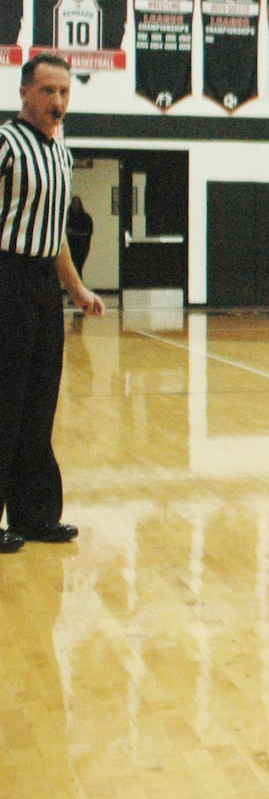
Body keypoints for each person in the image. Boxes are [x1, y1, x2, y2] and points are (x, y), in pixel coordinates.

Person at [0, 53, 105, 555]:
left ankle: (36, 514)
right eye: (47, 92)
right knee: (5, 403)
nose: (57, 102)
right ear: (24, 93)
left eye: (64, 93)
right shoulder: (5, 145)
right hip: (5, 278)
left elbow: (55, 232)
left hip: (42, 287)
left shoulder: (61, 153)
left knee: (40, 404)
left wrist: (77, 288)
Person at [65, 195, 92, 280]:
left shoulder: (85, 217)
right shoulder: (68, 217)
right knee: (72, 267)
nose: (74, 206)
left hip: (81, 246)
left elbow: (88, 232)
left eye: (76, 203)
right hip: (70, 246)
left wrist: (74, 232)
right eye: (73, 203)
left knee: (78, 266)